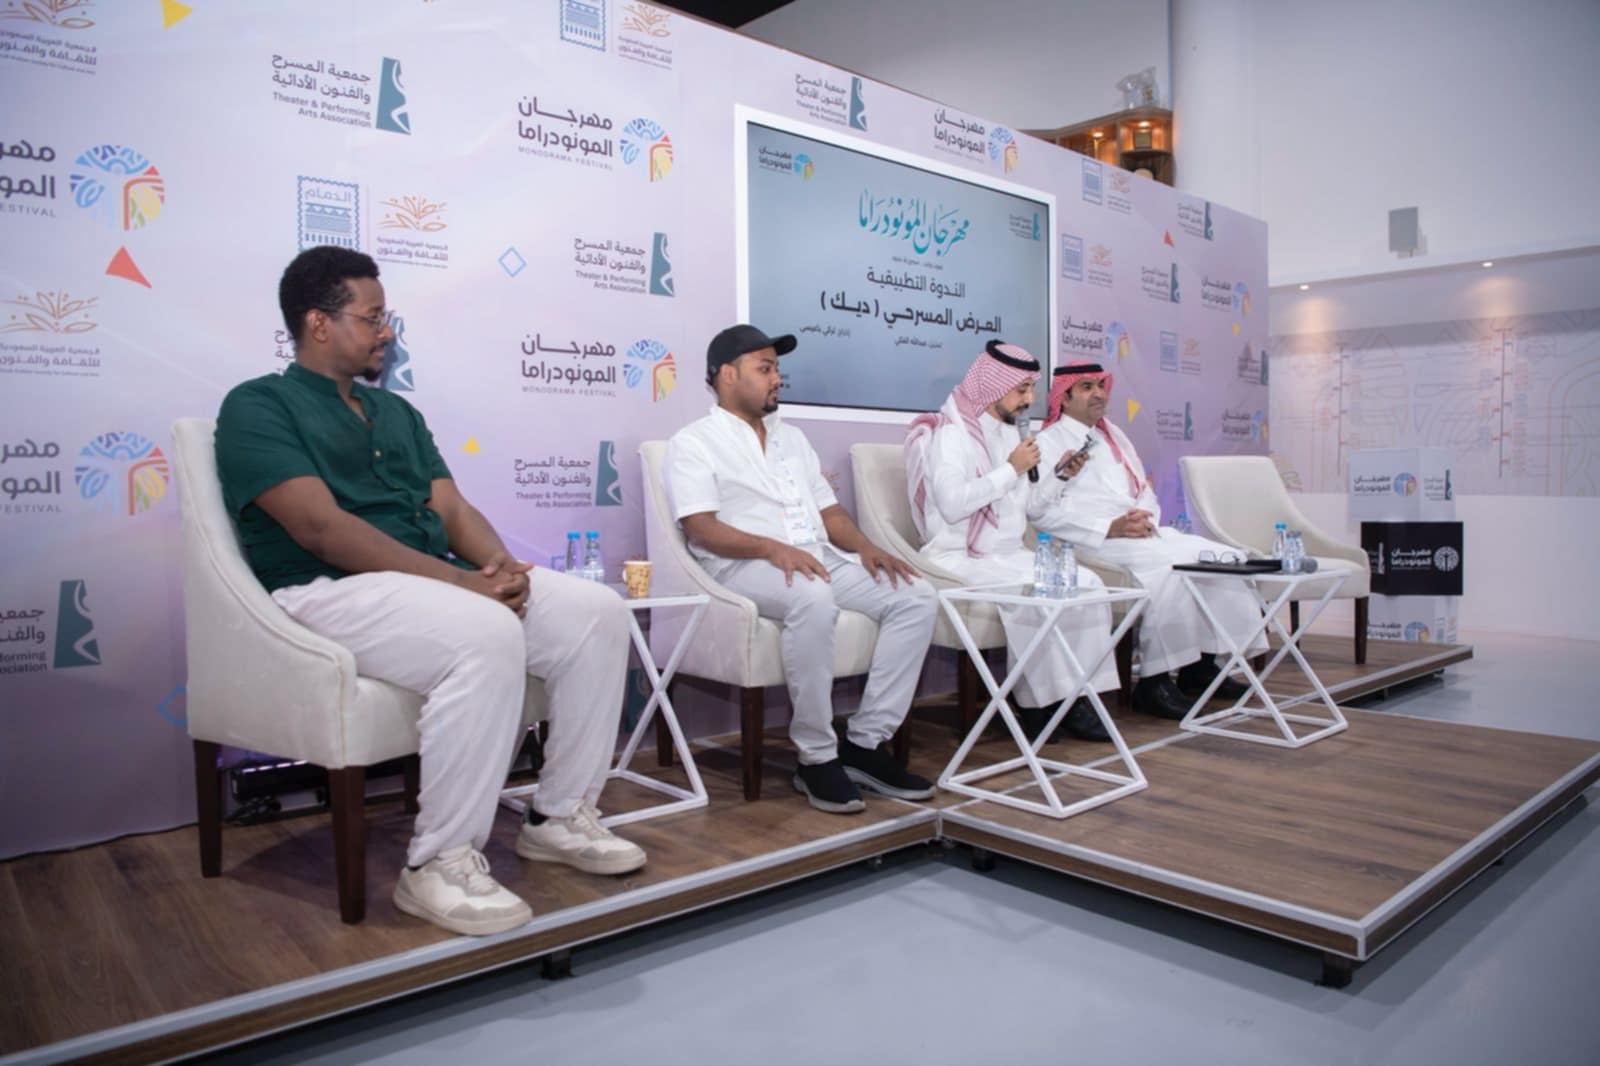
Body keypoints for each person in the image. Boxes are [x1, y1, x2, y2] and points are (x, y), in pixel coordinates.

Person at [215, 246, 645, 938]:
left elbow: (450, 508)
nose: (386, 331)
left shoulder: (397, 414)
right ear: (318, 323)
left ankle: (560, 815)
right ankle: (438, 863)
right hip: (323, 591)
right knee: (484, 630)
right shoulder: (256, 406)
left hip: (425, 585)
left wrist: (500, 569)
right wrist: (463, 585)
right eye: (372, 317)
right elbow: (320, 529)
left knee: (596, 613)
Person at [663, 324, 938, 814]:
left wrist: (867, 548)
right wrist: (771, 548)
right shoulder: (693, 442)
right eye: (765, 368)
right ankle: (816, 757)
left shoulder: (792, 438)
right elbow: (701, 528)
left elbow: (829, 513)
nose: (776, 379)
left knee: (915, 595)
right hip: (739, 566)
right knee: (812, 597)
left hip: (816, 557)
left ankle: (864, 745)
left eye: (777, 369)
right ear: (728, 375)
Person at [905, 341, 1120, 743]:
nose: (1030, 399)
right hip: (959, 557)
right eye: (1021, 389)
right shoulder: (952, 436)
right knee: (1034, 592)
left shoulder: (1010, 435)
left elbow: (1028, 506)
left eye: (1031, 388)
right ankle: (1038, 707)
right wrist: (1009, 469)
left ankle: (1076, 697)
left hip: (1007, 554)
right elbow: (952, 505)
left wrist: (1060, 476)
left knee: (1088, 584)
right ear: (993, 387)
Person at [1026, 362, 1260, 718]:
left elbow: (1143, 489)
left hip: (1137, 534)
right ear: (1065, 396)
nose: (1099, 393)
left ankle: (1201, 668)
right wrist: (1111, 527)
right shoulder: (1047, 443)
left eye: (1101, 385)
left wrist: (1142, 517)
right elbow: (1041, 514)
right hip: (1091, 542)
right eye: (1086, 387)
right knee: (1171, 569)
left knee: (1220, 557)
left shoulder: (1114, 436)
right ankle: (1154, 682)